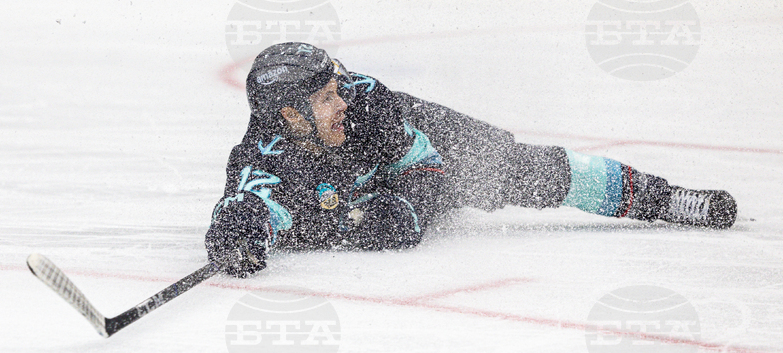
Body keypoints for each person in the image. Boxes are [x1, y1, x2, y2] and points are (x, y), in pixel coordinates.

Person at [205, 42, 737, 277]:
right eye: (325, 98)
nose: (340, 99)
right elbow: (251, 205)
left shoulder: (366, 105)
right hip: (360, 190)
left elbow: (428, 168)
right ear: (293, 117)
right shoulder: (264, 159)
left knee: (508, 164)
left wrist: (406, 210)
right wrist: (237, 235)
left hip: (418, 140)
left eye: (337, 87)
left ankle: (661, 197)